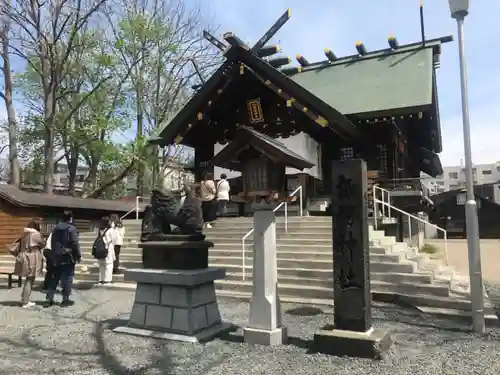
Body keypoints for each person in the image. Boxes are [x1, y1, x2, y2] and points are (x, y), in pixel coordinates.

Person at [9, 218, 45, 308]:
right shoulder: (36, 234)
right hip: (31, 256)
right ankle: (25, 301)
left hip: (23, 256)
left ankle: (24, 298)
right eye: (40, 224)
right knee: (30, 279)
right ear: (36, 225)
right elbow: (42, 244)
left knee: (28, 278)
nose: (41, 226)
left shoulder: (25, 233)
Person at [47, 211, 81, 307]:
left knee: (55, 277)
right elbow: (75, 243)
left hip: (56, 255)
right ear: (70, 218)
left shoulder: (56, 228)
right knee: (68, 278)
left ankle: (49, 297)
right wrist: (78, 255)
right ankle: (65, 299)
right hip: (68, 256)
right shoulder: (71, 228)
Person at [95, 216, 115, 284]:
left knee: (101, 265)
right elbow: (113, 239)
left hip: (100, 248)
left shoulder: (100, 230)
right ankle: (107, 279)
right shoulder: (110, 230)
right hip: (108, 248)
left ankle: (101, 279)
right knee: (109, 265)